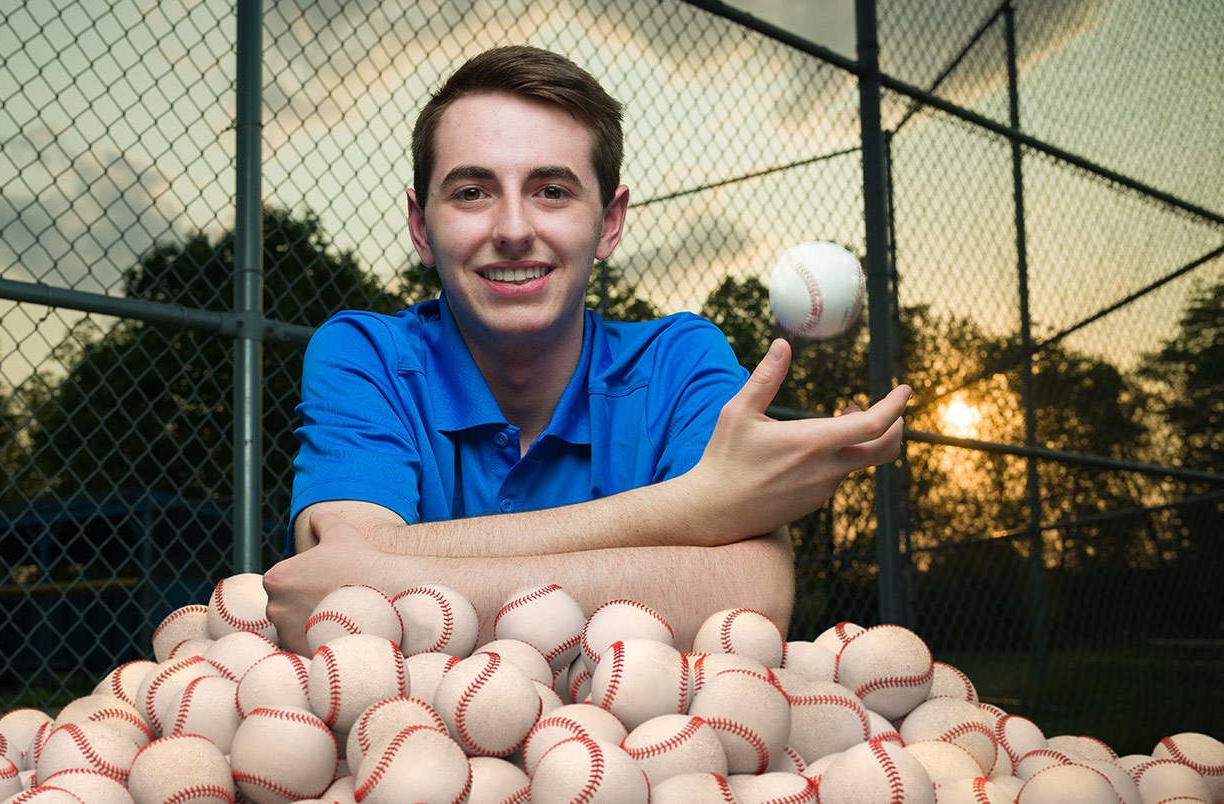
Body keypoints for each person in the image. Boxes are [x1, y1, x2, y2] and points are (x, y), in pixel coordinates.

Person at [262, 46, 910, 656]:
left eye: (551, 190)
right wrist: (681, 512)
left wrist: (397, 570)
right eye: (470, 192)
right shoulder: (364, 355)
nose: (513, 229)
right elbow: (339, 576)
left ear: (609, 222)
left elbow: (752, 595)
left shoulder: (680, 361)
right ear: (419, 226)